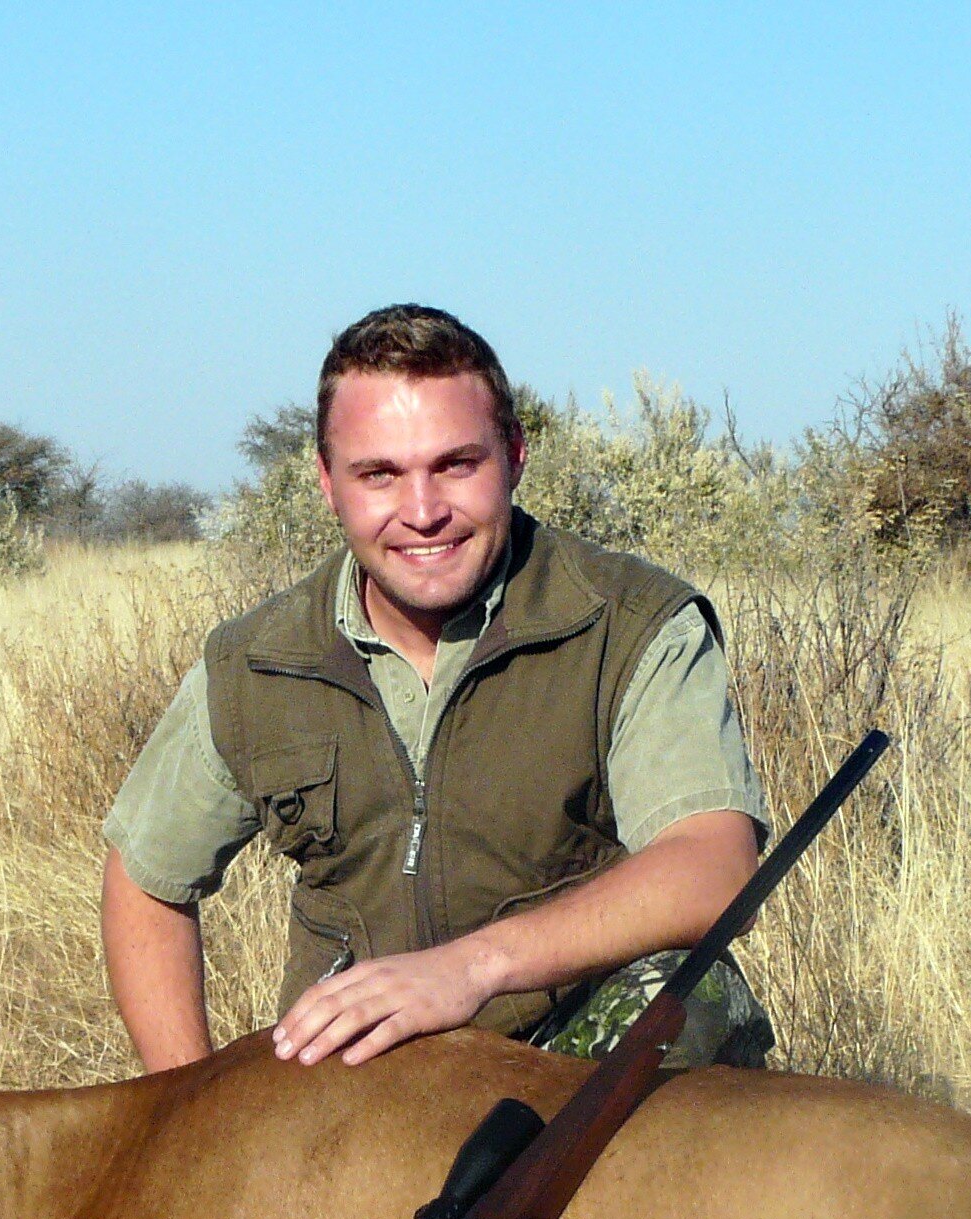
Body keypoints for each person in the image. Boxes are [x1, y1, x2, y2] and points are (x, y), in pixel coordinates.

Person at [101, 304, 772, 1073]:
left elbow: (711, 868)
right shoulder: (255, 661)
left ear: (515, 456)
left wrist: (469, 971)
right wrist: (192, 1104)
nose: (422, 514)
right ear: (326, 483)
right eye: (378, 474)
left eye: (456, 465)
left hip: (573, 1053)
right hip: (364, 1067)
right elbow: (145, 878)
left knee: (686, 1000)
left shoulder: (633, 623)